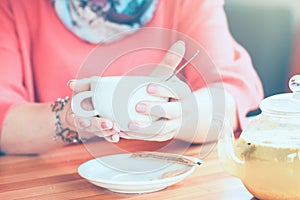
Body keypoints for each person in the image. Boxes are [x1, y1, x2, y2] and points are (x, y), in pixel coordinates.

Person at [0, 0, 263, 155]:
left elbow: (226, 95)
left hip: (169, 179)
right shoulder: (14, 6)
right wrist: (70, 118)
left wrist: (180, 116)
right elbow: (5, 121)